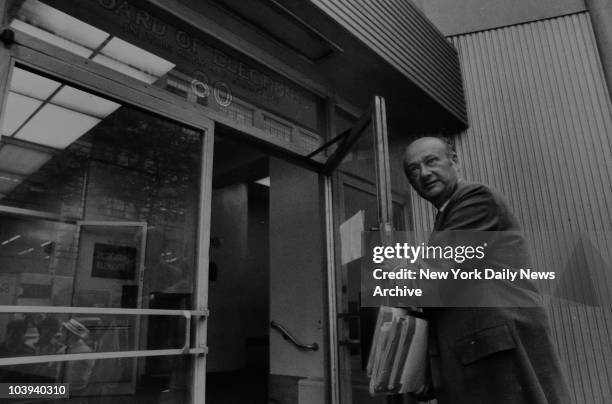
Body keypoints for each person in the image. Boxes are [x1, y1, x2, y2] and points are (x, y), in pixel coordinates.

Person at [403, 136, 569, 403]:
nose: (423, 173)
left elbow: (434, 276)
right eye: (413, 170)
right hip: (477, 357)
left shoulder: (475, 198)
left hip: (496, 357)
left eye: (431, 161)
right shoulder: (447, 216)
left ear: (454, 160)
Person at [60, 319, 95, 394]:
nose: (61, 333)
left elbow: (89, 376)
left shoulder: (85, 352)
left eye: (63, 331)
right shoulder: (63, 350)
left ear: (69, 334)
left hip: (75, 393)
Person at [32, 316, 66, 382]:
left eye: (52, 330)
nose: (48, 331)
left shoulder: (60, 348)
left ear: (55, 332)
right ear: (40, 328)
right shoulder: (29, 344)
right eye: (46, 328)